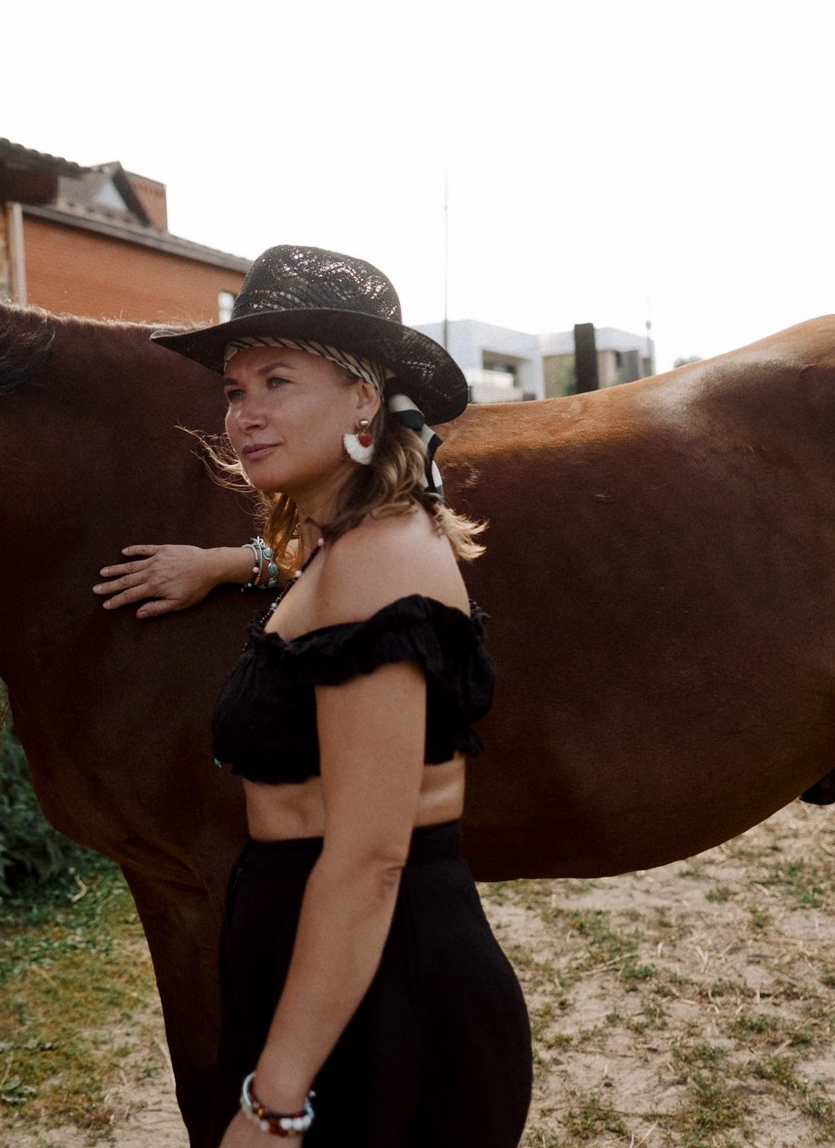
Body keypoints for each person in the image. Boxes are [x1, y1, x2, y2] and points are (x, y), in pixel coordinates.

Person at [103, 245, 532, 1145]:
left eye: (277, 380)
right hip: (345, 975)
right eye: (233, 388)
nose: (244, 414)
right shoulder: (353, 545)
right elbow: (307, 571)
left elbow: (371, 859)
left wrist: (276, 1100)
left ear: (364, 398)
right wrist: (225, 563)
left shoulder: (378, 562)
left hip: (384, 998)